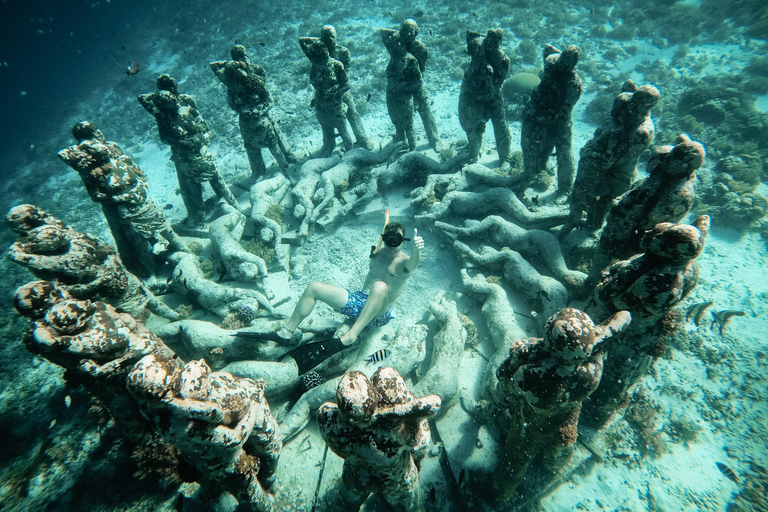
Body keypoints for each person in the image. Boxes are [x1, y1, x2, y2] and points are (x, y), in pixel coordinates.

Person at [138, 74, 239, 227]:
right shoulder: (163, 110)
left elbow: (197, 120)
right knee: (201, 182)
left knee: (198, 183)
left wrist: (160, 94)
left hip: (190, 149)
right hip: (187, 149)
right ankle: (210, 209)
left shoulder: (167, 109)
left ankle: (203, 213)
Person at [210, 44, 296, 178]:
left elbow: (268, 97)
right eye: (241, 58)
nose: (244, 59)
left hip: (262, 115)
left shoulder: (256, 71)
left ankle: (288, 161)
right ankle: (258, 172)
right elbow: (230, 100)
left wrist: (259, 110)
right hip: (246, 119)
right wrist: (242, 110)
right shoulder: (231, 81)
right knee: (251, 147)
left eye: (245, 57)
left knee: (276, 138)